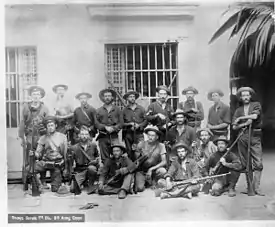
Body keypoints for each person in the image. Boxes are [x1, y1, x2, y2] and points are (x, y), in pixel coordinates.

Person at [232, 87, 264, 196]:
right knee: (246, 163)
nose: (245, 97)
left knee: (258, 163)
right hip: (242, 136)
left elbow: (255, 116)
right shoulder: (238, 110)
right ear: (241, 98)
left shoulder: (256, 104)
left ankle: (256, 187)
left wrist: (241, 119)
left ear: (250, 96)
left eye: (247, 95)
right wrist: (244, 124)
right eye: (243, 95)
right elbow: (234, 127)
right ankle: (249, 186)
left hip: (255, 136)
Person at [29, 116, 69, 194]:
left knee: (55, 189)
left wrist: (65, 167)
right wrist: (34, 154)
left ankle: (56, 183)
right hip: (46, 162)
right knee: (30, 169)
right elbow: (38, 152)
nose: (50, 127)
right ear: (46, 127)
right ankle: (39, 185)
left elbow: (65, 153)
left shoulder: (62, 137)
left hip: (56, 163)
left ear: (56, 126)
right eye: (48, 126)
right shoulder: (43, 138)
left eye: (52, 125)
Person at [18, 85, 49, 181]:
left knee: (42, 157)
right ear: (31, 96)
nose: (36, 96)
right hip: (29, 136)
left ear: (41, 96)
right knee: (29, 157)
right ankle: (30, 180)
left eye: (38, 94)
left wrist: (47, 135)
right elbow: (22, 122)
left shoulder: (45, 108)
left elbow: (48, 122)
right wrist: (21, 137)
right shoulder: (26, 107)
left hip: (41, 136)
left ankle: (42, 181)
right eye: (34, 94)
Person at [134, 125, 167, 191]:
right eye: (149, 135)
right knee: (139, 188)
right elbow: (136, 160)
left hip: (154, 170)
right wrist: (140, 155)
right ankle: (146, 181)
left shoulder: (161, 146)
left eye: (152, 135)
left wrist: (151, 169)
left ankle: (154, 180)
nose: (150, 137)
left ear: (157, 137)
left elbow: (164, 161)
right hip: (142, 170)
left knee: (163, 171)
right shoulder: (141, 144)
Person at [69, 125, 100, 195]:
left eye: (86, 134)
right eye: (82, 134)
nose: (84, 136)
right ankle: (84, 182)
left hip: (90, 168)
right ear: (79, 135)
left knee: (91, 169)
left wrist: (96, 161)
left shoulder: (93, 145)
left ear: (89, 135)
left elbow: (97, 156)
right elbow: (71, 162)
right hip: (80, 170)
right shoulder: (74, 147)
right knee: (72, 189)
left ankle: (91, 184)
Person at [96, 89, 123, 164]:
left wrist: (114, 128)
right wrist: (105, 127)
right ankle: (106, 173)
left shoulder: (117, 109)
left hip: (114, 136)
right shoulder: (98, 110)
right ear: (103, 98)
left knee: (116, 154)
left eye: (109, 96)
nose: (107, 98)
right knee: (104, 157)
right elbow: (96, 123)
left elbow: (121, 123)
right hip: (103, 136)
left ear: (112, 98)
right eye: (105, 96)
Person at [122, 90, 147, 161]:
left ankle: (140, 168)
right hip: (128, 134)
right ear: (127, 98)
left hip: (139, 134)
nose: (132, 98)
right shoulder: (124, 110)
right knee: (129, 151)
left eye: (133, 96)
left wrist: (140, 125)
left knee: (139, 151)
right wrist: (129, 124)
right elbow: (121, 123)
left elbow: (146, 120)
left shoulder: (141, 109)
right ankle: (131, 168)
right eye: (130, 97)